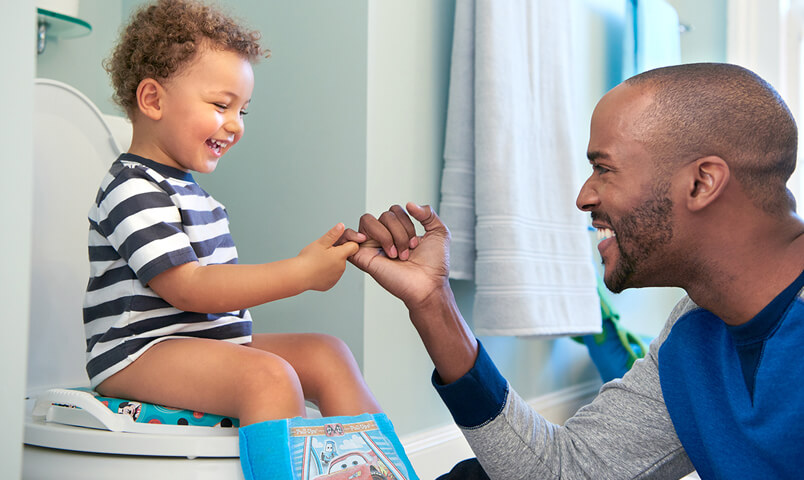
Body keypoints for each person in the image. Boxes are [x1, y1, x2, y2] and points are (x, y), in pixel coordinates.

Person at [343, 63, 804, 479]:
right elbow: (569, 472)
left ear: (701, 182)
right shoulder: (695, 334)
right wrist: (433, 303)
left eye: (604, 168)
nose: (584, 196)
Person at [84, 0, 382, 438]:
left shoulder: (191, 193)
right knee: (269, 377)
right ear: (152, 99)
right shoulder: (132, 188)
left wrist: (310, 264)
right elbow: (189, 287)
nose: (236, 124)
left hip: (199, 348)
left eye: (242, 111)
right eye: (222, 105)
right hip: (137, 354)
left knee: (327, 354)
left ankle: (379, 469)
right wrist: (301, 273)